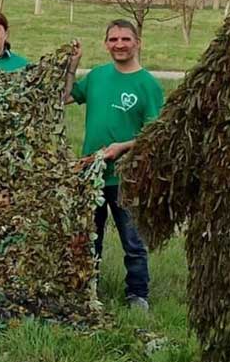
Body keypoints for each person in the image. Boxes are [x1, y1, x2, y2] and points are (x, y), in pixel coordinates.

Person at [63, 19, 163, 310]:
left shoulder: (148, 85)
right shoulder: (97, 76)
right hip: (90, 175)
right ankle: (87, 291)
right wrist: (73, 65)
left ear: (137, 43)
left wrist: (123, 148)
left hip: (126, 176)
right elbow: (66, 97)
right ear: (106, 44)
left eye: (125, 39)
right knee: (88, 238)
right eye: (113, 39)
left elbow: (154, 134)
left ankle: (137, 294)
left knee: (132, 241)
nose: (119, 45)